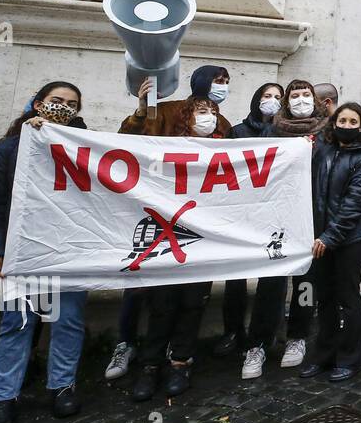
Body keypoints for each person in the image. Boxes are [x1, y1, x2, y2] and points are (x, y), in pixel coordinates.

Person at [0, 82, 89, 423]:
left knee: (68, 321)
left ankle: (62, 387)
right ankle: (4, 398)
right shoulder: (11, 147)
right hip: (25, 251)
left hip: (68, 249)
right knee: (18, 323)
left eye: (72, 104)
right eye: (57, 101)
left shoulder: (83, 146)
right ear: (39, 104)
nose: (64, 108)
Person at [130, 91, 227, 401]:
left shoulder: (229, 149)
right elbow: (128, 144)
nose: (207, 115)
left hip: (206, 240)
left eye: (211, 110)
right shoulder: (164, 144)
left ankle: (180, 361)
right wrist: (144, 111)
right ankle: (150, 364)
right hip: (168, 236)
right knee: (162, 303)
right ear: (187, 115)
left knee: (193, 302)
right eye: (200, 110)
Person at [298, 103, 361, 382]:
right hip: (321, 239)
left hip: (348, 241)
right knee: (326, 300)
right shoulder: (324, 150)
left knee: (348, 299)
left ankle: (350, 359)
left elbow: (357, 202)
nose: (346, 125)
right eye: (341, 120)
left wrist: (331, 236)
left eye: (352, 121)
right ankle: (323, 355)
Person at [258, 79, 329, 368]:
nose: (301, 100)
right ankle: (259, 341)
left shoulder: (329, 134)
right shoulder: (271, 131)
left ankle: (298, 336)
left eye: (306, 95)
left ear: (316, 99)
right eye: (295, 95)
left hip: (313, 217)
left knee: (306, 283)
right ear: (287, 101)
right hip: (277, 217)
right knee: (270, 281)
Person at [212, 82, 284, 361]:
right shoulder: (239, 132)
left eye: (278, 97)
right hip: (241, 213)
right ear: (256, 99)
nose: (273, 101)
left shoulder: (285, 132)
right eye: (267, 96)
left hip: (274, 213)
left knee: (274, 276)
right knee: (235, 278)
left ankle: (266, 333)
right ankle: (233, 331)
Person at [119, 64, 232, 138]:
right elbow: (126, 139)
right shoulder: (165, 112)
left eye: (227, 83)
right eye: (219, 81)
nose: (224, 87)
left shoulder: (223, 124)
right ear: (203, 81)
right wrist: (141, 111)